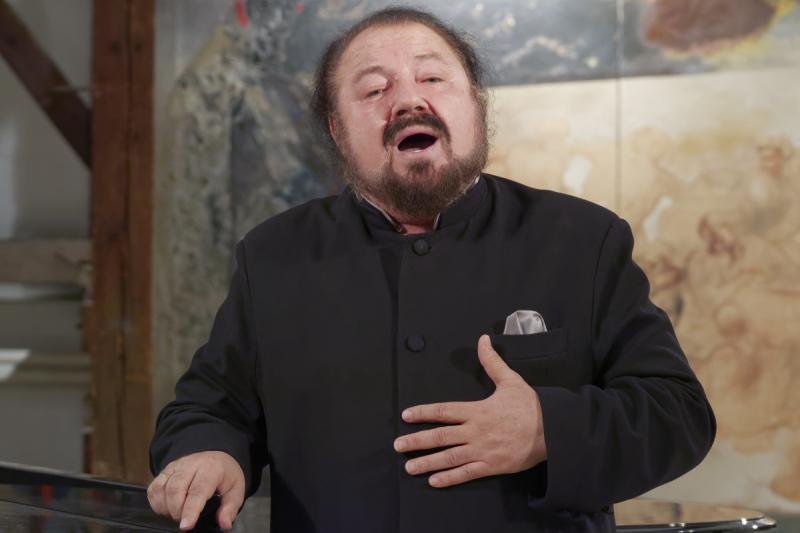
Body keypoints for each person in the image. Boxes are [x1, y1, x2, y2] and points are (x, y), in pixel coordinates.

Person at [147, 7, 716, 532]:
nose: (408, 100)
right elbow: (208, 406)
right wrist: (208, 452)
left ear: (476, 106)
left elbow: (677, 414)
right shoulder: (273, 256)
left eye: (433, 78)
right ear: (337, 130)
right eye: (374, 89)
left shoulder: (583, 240)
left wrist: (546, 429)